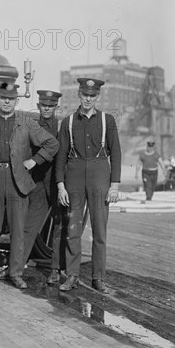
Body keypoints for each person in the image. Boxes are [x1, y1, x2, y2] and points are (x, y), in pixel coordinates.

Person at [0, 83, 58, 289]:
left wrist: (34, 161)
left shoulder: (27, 124)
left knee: (18, 230)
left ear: (16, 102)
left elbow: (52, 144)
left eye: (11, 99)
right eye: (3, 98)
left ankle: (16, 273)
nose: (7, 102)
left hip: (17, 179)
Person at [55, 78, 121, 293]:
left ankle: (98, 278)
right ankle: (72, 275)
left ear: (97, 97)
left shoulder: (107, 120)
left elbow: (117, 154)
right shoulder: (68, 122)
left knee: (100, 230)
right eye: (85, 95)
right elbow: (61, 157)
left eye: (92, 96)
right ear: (79, 95)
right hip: (74, 175)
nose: (88, 99)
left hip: (100, 175)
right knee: (73, 229)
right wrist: (60, 185)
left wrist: (115, 185)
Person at [20, 90, 63, 285]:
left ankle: (55, 270)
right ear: (38, 106)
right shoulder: (32, 125)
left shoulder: (63, 127)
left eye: (51, 105)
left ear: (56, 107)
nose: (47, 108)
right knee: (29, 227)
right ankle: (17, 267)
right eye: (44, 105)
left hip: (58, 184)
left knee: (59, 227)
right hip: (38, 184)